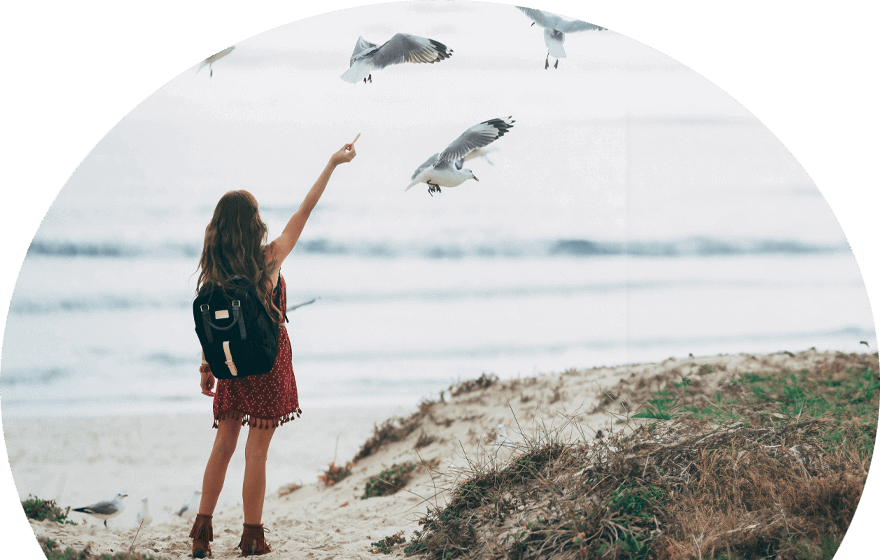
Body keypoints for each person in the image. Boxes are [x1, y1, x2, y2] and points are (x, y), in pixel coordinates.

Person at [189, 138, 357, 557]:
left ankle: (200, 536)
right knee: (255, 455)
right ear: (253, 224)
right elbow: (305, 210)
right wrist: (332, 163)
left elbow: (211, 323)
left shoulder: (215, 269)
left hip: (228, 363)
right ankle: (251, 538)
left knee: (222, 448)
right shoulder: (269, 259)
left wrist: (207, 366)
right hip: (266, 364)